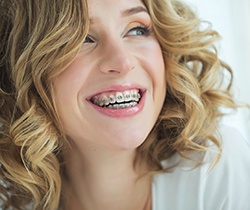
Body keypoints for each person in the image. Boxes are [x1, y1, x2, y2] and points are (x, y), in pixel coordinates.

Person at [0, 0, 250, 209]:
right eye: (81, 39)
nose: (122, 61)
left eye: (137, 30)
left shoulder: (215, 168)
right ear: (22, 70)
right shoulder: (10, 200)